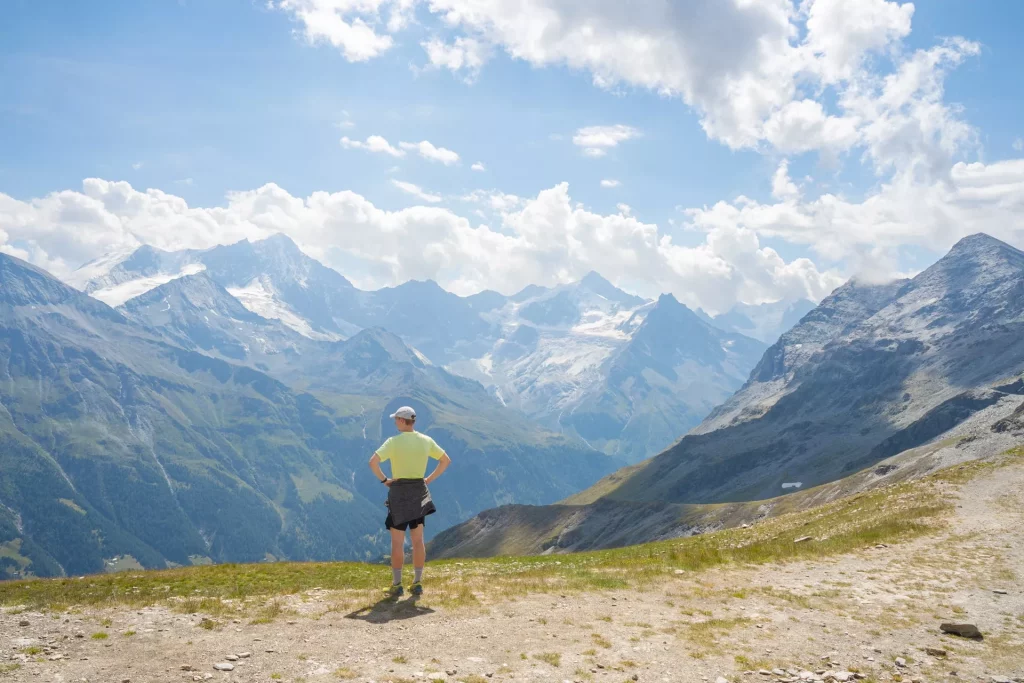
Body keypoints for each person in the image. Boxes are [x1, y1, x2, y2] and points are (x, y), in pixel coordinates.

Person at [369, 406, 451, 597]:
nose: (394, 421)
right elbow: (445, 460)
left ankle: (397, 585)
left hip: (398, 492)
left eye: (396, 419)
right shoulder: (426, 440)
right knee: (418, 540)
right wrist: (428, 480)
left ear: (402, 420)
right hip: (419, 492)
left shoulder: (393, 442)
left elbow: (373, 462)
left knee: (397, 542)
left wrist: (385, 480)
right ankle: (417, 582)